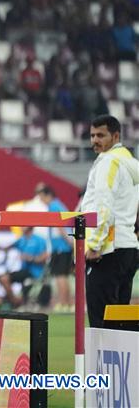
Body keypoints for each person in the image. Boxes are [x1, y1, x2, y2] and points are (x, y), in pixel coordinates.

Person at [79, 115, 139, 329]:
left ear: (115, 136)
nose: (95, 140)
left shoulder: (108, 161)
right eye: (92, 135)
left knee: (101, 321)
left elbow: (103, 207)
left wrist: (94, 245)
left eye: (100, 135)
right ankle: (127, 364)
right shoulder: (132, 163)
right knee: (121, 322)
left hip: (108, 250)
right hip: (129, 249)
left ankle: (98, 364)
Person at [35, 184, 74, 310]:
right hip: (64, 245)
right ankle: (67, 303)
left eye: (41, 197)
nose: (40, 200)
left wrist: (68, 240)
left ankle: (63, 303)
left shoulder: (53, 206)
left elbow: (60, 226)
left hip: (60, 246)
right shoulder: (59, 204)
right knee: (64, 275)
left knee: (60, 275)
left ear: (48, 195)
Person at [0, 227, 50, 307]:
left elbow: (45, 257)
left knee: (4, 278)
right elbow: (9, 247)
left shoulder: (39, 240)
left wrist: (30, 258)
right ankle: (15, 301)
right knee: (2, 278)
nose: (21, 227)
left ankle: (16, 302)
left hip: (35, 272)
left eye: (23, 226)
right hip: (24, 271)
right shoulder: (21, 239)